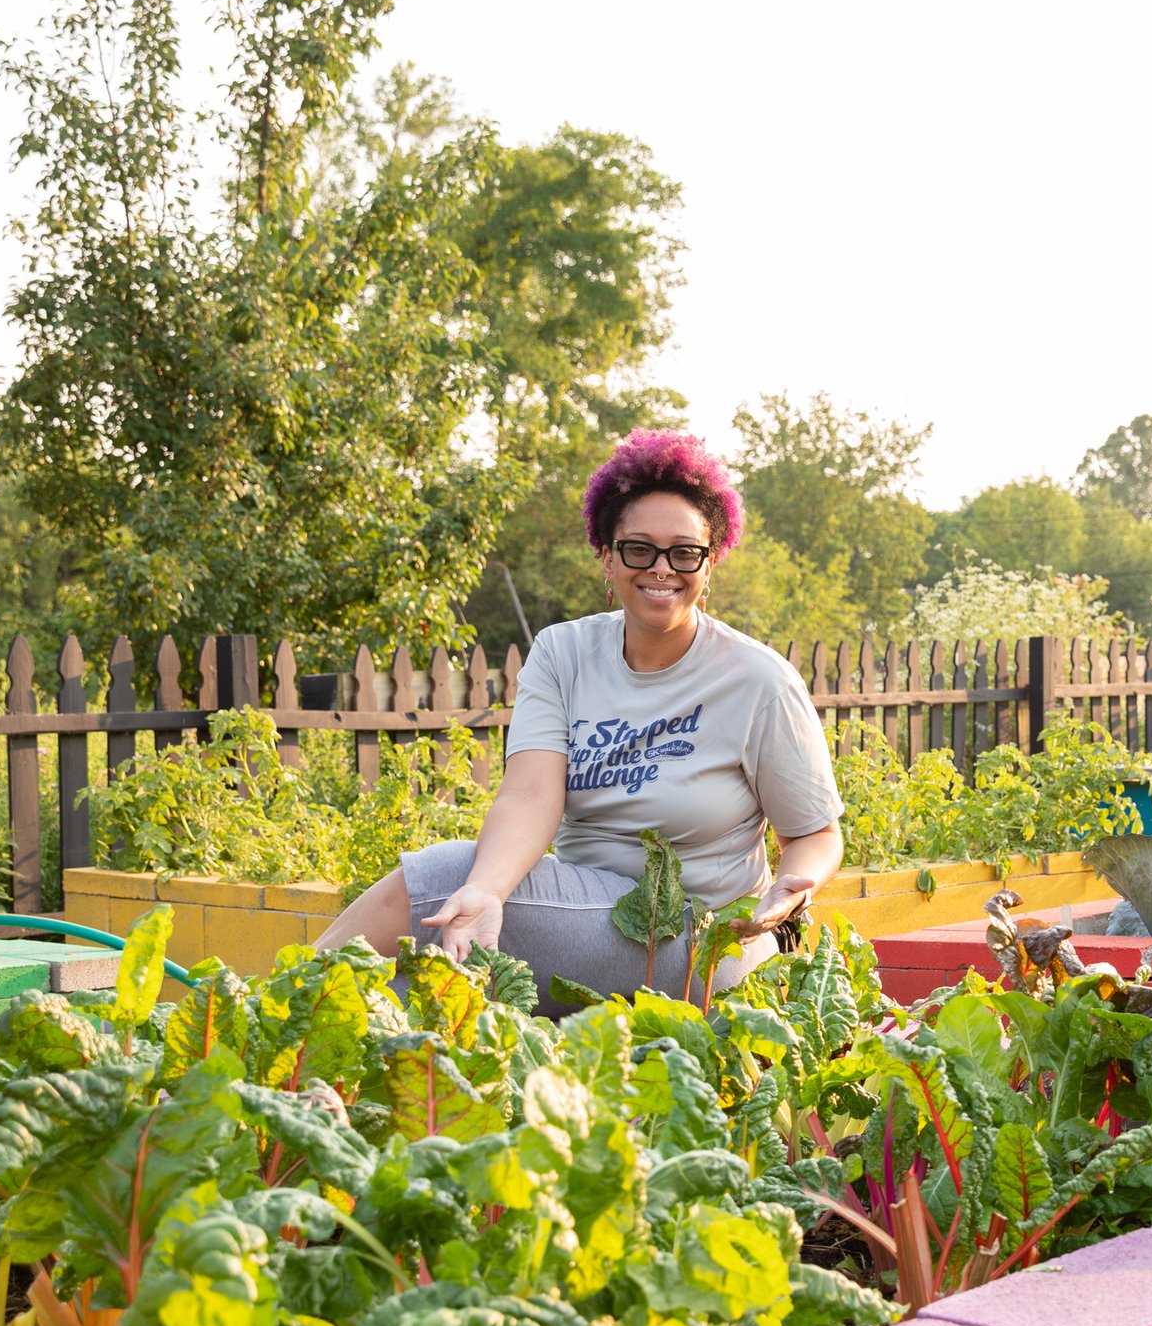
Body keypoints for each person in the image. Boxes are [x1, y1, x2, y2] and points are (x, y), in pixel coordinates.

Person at [318, 430, 845, 1010]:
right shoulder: (562, 654)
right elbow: (530, 796)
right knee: (419, 972)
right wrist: (488, 890)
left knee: (440, 880)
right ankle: (296, 1049)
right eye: (639, 549)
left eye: (684, 552)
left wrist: (798, 885)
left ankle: (269, 1011)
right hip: (583, 914)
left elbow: (814, 833)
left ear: (710, 560)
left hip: (704, 936)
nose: (661, 569)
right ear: (607, 555)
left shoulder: (757, 680)